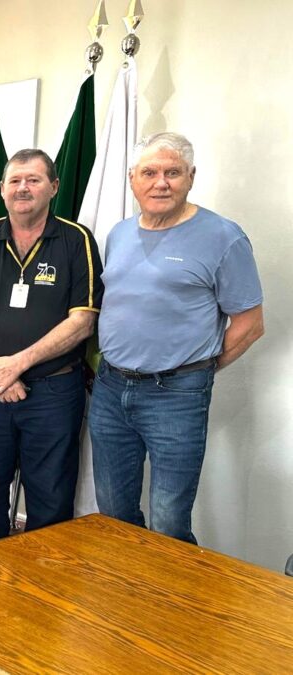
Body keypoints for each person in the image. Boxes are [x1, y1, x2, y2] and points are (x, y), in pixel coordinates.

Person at [89, 132, 264, 544]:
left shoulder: (223, 236)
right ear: (133, 179)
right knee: (113, 513)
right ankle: (127, 597)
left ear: (191, 177)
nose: (160, 182)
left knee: (168, 522)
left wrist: (196, 369)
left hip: (177, 395)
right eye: (149, 172)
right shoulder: (119, 233)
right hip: (111, 389)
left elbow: (251, 324)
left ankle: (170, 605)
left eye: (173, 172)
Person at [0, 148, 103, 544]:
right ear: (1, 189)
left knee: (50, 498)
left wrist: (15, 364)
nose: (23, 188)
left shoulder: (76, 239)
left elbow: (83, 320)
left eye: (33, 180)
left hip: (52, 392)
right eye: (15, 180)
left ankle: (41, 591)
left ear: (53, 186)